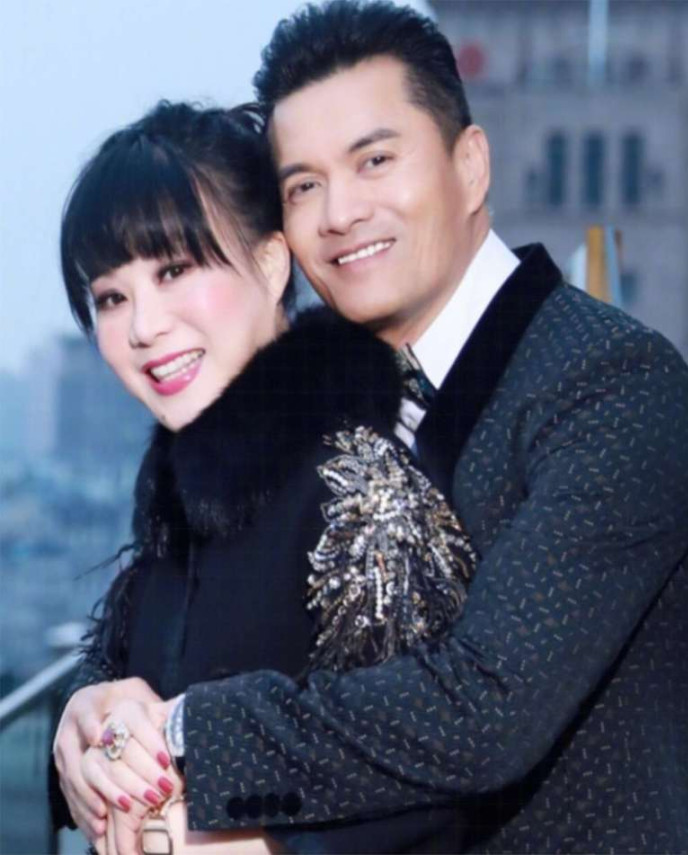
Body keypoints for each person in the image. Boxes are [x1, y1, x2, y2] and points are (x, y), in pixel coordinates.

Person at [54, 1, 688, 853]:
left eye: (374, 160)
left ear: (469, 165)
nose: (338, 212)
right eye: (303, 185)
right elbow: (187, 602)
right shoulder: (294, 406)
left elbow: (486, 707)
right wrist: (93, 706)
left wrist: (179, 735)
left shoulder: (608, 382)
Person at [49, 99, 476, 854]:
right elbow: (140, 676)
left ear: (273, 263)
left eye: (174, 270)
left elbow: (447, 764)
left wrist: (256, 842)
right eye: (112, 297)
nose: (143, 326)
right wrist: (86, 712)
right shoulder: (181, 492)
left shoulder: (357, 485)